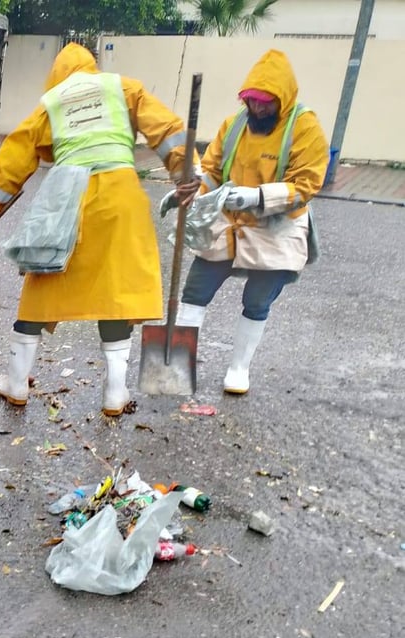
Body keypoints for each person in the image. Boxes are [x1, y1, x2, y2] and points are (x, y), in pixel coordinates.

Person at [0, 44, 197, 416]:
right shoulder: (123, 87)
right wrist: (187, 172)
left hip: (66, 200)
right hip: (121, 198)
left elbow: (12, 165)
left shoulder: (52, 102)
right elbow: (167, 130)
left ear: (57, 75)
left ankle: (16, 382)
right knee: (116, 291)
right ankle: (114, 393)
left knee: (42, 285)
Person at [175, 49, 328, 394]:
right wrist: (192, 194)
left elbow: (306, 185)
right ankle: (177, 367)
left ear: (283, 98)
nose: (257, 109)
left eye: (265, 103)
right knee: (195, 290)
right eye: (251, 101)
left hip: (276, 228)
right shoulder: (234, 125)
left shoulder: (304, 128)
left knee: (257, 300)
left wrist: (257, 197)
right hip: (229, 223)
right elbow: (213, 172)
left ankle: (238, 370)